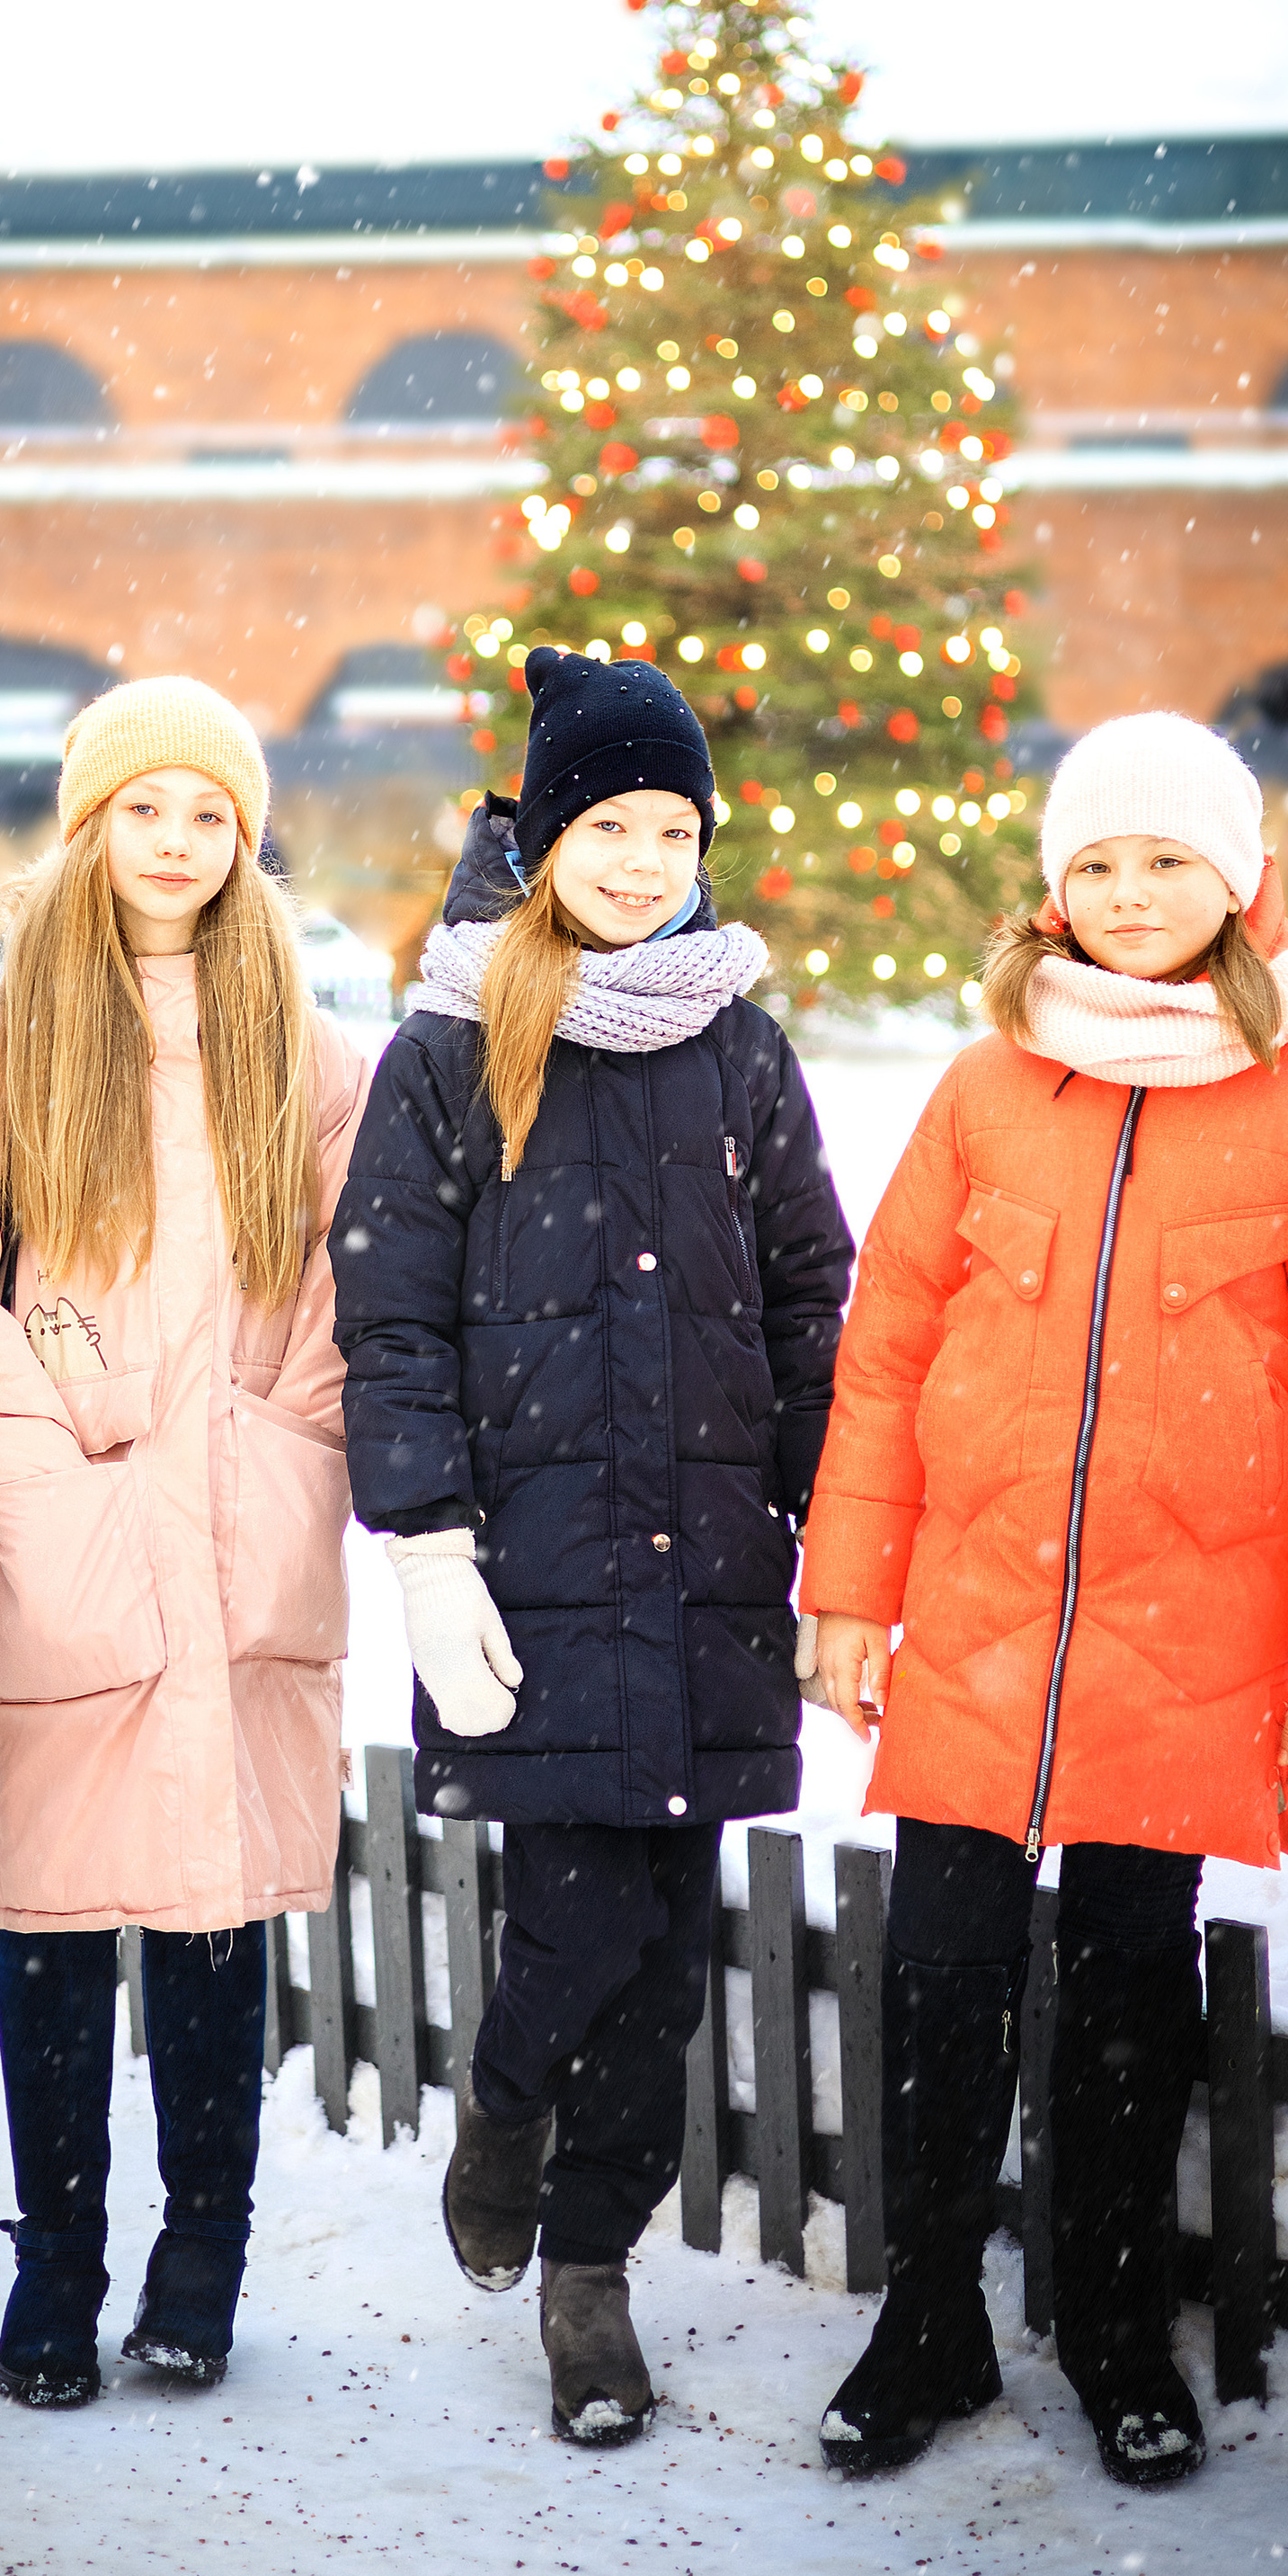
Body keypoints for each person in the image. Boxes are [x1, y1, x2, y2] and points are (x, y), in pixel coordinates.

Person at [799, 710, 1288, 2490]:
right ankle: (923, 2315)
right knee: (935, 1976)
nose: (1129, 893)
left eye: (1165, 861)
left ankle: (1104, 2325)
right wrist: (847, 1592)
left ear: (1236, 884)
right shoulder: (983, 1087)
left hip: (1188, 1636)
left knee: (1123, 1989)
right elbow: (884, 1357)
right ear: (1049, 887)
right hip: (973, 1620)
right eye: (1095, 862)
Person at [331, 648, 855, 2447]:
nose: (639, 858)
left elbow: (810, 1299)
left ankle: (587, 2284)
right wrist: (423, 1541)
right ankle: (496, 2102)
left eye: (669, 827)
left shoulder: (739, 1044)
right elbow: (388, 1317)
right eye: (605, 823)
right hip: (525, 1581)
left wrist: (832, 1540)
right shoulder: (448, 1051)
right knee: (577, 1920)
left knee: (673, 1953)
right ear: (542, 835)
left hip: (709, 1564)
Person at [0, 677, 369, 2410]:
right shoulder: (5, 1050)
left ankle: (201, 2266)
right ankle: (57, 2269)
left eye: (210, 817)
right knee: (46, 1926)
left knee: (213, 1928)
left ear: (243, 843)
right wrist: (48, 1491)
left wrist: (280, 1447)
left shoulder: (309, 1055)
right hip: (74, 1544)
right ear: (89, 826)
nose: (176, 845)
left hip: (243, 1535)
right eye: (145, 811)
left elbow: (355, 1287)